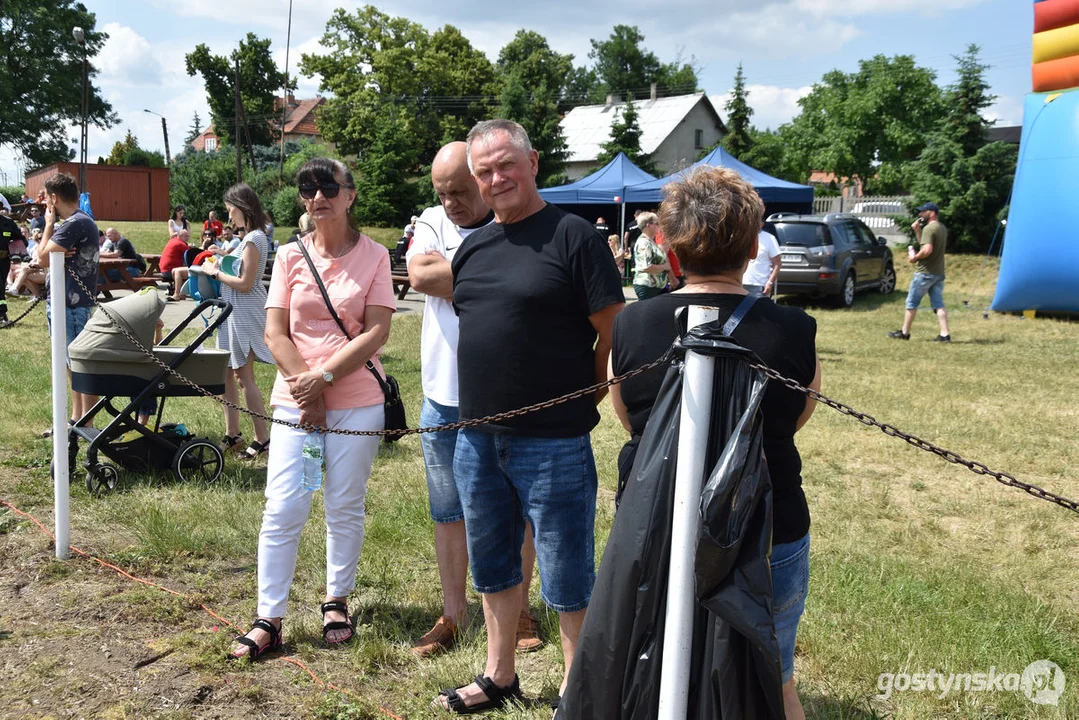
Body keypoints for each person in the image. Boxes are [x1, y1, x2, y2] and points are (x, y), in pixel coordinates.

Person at [608, 166, 821, 720]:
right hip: (769, 522)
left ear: (670, 247)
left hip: (655, 523)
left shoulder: (632, 326)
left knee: (655, 660)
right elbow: (797, 415)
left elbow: (632, 422)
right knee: (774, 673)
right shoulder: (794, 328)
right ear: (753, 248)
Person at [435, 119, 624, 712]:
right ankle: (499, 674)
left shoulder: (575, 238)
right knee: (492, 561)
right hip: (478, 439)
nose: (496, 179)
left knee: (568, 569)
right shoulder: (472, 247)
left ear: (533, 162)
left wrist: (584, 398)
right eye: (484, 171)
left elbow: (612, 335)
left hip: (555, 441)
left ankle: (577, 685)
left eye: (506, 165)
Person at [230, 157, 395, 661]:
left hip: (356, 407)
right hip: (298, 407)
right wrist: (311, 392)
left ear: (350, 195)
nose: (317, 195)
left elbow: (376, 331)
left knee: (343, 505)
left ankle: (336, 600)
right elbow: (274, 331)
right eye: (308, 187)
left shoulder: (376, 256)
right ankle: (269, 617)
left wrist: (325, 380)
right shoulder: (287, 256)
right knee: (285, 505)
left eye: (329, 186)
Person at [405, 142, 542, 657]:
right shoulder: (430, 221)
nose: (451, 204)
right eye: (442, 194)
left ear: (483, 181)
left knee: (517, 511)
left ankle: (521, 611)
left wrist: (459, 272)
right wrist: (502, 275)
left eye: (460, 192)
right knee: (448, 511)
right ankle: (453, 614)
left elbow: (449, 277)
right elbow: (421, 277)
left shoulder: (516, 222)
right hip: (444, 397)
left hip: (508, 397)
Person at [201, 184, 275, 460]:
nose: (228, 215)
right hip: (233, 311)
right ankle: (233, 434)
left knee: (244, 377)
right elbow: (240, 268)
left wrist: (214, 273)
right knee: (228, 373)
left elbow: (246, 282)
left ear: (242, 207)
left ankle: (262, 438)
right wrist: (220, 261)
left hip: (246, 311)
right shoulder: (248, 239)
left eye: (230, 209)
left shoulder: (255, 238)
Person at [35, 172, 101, 432]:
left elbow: (41, 258)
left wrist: (49, 225)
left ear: (54, 198)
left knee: (78, 366)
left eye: (46, 201)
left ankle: (86, 422)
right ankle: (77, 419)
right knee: (70, 365)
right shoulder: (79, 222)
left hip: (71, 307)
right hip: (67, 304)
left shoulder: (75, 223)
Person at [889, 202, 950, 342]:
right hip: (938, 272)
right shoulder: (941, 228)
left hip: (925, 273)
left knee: (911, 303)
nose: (920, 214)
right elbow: (925, 243)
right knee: (938, 304)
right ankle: (945, 334)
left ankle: (904, 333)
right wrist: (917, 231)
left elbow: (927, 250)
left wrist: (915, 257)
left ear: (932, 213)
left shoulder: (929, 228)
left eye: (924, 212)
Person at [631, 211, 670, 300]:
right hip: (647, 286)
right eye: (656, 223)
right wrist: (665, 267)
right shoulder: (643, 243)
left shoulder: (651, 241)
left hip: (655, 286)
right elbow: (646, 266)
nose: (659, 226)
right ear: (648, 225)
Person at [0, 210, 26, 324]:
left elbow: (21, 240)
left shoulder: (8, 223)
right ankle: (2, 314)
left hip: (3, 260)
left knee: (1, 286)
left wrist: (15, 247)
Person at [743, 221, 782, 296]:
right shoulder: (741, 237)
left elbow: (777, 264)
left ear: (762, 224)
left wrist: (770, 283)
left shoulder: (770, 238)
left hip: (760, 285)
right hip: (740, 284)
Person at [160, 229, 193, 301]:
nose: (188, 238)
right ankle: (178, 294)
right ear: (180, 236)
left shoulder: (173, 240)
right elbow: (191, 255)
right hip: (169, 271)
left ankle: (181, 293)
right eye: (186, 236)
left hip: (164, 270)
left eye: (188, 236)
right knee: (188, 270)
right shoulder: (180, 244)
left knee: (183, 269)